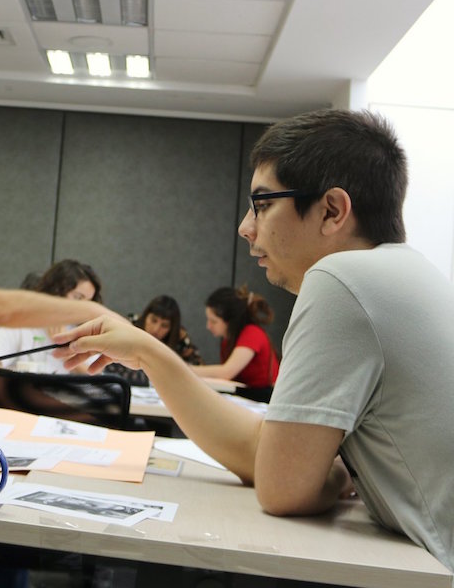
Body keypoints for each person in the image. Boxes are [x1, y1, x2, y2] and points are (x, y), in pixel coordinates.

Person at [54, 109, 454, 571]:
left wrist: (332, 470)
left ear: (332, 210)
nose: (246, 227)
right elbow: (265, 453)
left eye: (262, 204)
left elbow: (281, 488)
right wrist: (148, 351)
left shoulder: (341, 280)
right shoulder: (406, 272)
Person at [0, 260, 101, 374]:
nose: (85, 307)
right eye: (78, 297)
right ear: (56, 291)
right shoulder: (20, 324)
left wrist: (67, 353)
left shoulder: (86, 331)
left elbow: (99, 377)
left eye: (89, 301)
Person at [194, 285, 278, 400]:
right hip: (245, 395)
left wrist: (186, 368)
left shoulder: (252, 333)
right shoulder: (227, 341)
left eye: (213, 321)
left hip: (264, 397)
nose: (208, 326)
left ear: (230, 321)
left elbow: (226, 372)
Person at [106, 294, 201, 386]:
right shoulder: (130, 327)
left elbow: (195, 370)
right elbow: (110, 367)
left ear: (171, 329)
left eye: (164, 325)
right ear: (146, 316)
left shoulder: (180, 341)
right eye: (153, 320)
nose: (156, 329)